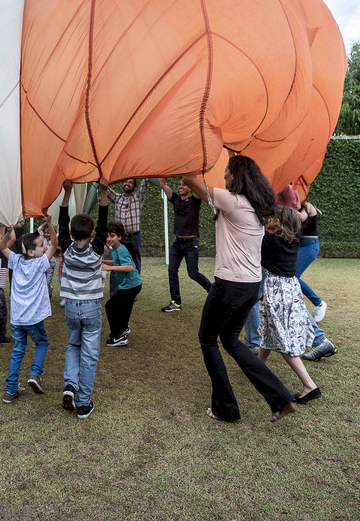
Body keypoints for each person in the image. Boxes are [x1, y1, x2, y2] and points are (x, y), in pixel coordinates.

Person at [184, 156, 297, 423]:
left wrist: (189, 153)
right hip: (250, 285)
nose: (223, 176)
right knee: (231, 340)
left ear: (237, 176)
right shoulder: (258, 209)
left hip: (230, 284)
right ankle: (281, 398)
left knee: (208, 339)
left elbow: (189, 179)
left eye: (226, 172)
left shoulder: (232, 201)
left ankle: (226, 408)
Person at [57, 179, 110, 418]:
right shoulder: (97, 249)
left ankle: (70, 385)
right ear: (91, 233)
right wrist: (104, 193)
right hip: (90, 308)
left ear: (69, 234)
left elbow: (61, 222)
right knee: (88, 355)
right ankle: (84, 403)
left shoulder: (66, 248)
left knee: (72, 346)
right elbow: (104, 222)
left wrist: (66, 193)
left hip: (70, 307)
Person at [258, 205, 322, 403]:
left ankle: (309, 385)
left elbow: (253, 230)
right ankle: (255, 368)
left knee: (281, 340)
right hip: (290, 291)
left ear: (278, 221)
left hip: (278, 293)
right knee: (271, 331)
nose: (266, 218)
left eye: (271, 216)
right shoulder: (292, 241)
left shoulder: (270, 241)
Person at [1, 222, 59, 404]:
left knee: (18, 351)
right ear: (31, 252)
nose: (46, 247)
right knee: (42, 343)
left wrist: (9, 232)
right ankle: (35, 373)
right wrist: (50, 223)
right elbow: (55, 246)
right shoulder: (40, 263)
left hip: (17, 318)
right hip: (33, 319)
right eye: (42, 245)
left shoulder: (16, 260)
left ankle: (10, 391)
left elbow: (2, 246)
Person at [159, 177, 212, 312]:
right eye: (179, 184)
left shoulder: (195, 199)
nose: (180, 186)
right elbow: (163, 184)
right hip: (177, 243)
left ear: (190, 187)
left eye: (184, 184)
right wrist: (162, 171)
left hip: (191, 244)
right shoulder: (175, 199)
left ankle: (212, 290)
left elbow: (197, 185)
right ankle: (176, 302)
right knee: (172, 271)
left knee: (193, 273)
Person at [103, 221, 141, 347]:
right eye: (108, 236)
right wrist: (103, 261)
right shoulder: (115, 249)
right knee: (124, 308)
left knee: (110, 306)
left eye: (112, 236)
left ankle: (118, 336)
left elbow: (129, 267)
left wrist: (110, 268)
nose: (109, 239)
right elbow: (117, 262)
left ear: (120, 237)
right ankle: (123, 329)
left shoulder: (121, 249)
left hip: (131, 286)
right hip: (131, 285)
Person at [108, 178, 148, 287]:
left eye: (130, 182)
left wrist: (145, 172)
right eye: (125, 181)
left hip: (134, 237)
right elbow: (105, 188)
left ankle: (133, 289)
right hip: (119, 238)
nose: (127, 183)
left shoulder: (138, 198)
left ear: (134, 187)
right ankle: (116, 291)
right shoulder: (117, 198)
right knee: (116, 262)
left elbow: (144, 183)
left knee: (134, 263)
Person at [297, 200, 328, 322]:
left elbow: (301, 217)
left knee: (293, 276)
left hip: (309, 246)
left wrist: (282, 209)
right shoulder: (294, 206)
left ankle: (319, 303)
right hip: (298, 245)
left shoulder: (306, 206)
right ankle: (263, 299)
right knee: (282, 273)